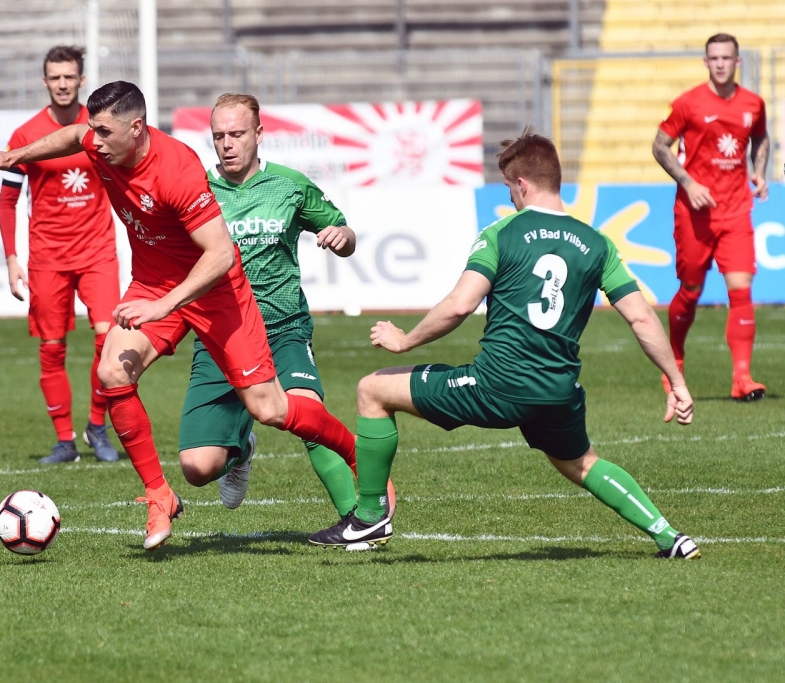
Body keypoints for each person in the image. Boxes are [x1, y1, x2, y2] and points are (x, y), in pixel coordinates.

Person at [0, 81, 358, 552]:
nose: (94, 142)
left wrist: (164, 306)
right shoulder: (99, 141)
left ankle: (359, 457)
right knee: (113, 372)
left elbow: (220, 256)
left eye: (104, 133)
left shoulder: (177, 170)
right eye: (93, 131)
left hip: (214, 291)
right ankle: (159, 496)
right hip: (154, 283)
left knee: (270, 409)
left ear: (136, 127)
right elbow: (71, 136)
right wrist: (13, 157)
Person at [310, 128, 700, 561]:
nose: (511, 197)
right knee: (581, 463)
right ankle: (669, 536)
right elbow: (642, 317)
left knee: (372, 390)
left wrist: (406, 340)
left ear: (523, 185)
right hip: (557, 392)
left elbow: (460, 304)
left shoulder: (502, 233)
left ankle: (368, 519)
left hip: (496, 386)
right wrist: (676, 381)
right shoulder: (598, 243)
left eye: (509, 188)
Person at [177, 93, 394, 521]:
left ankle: (359, 520)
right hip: (221, 336)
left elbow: (344, 231)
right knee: (198, 468)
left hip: (283, 328)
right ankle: (241, 449)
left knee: (307, 413)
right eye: (219, 136)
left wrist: (341, 238)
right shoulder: (197, 191)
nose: (227, 144)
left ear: (259, 134)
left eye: (237, 134)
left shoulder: (289, 184)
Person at [0, 46, 121, 464]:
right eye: (55, 77)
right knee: (52, 348)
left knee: (108, 338)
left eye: (70, 76)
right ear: (45, 81)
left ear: (82, 80)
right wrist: (12, 258)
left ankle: (97, 426)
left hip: (97, 250)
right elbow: (8, 201)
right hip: (48, 256)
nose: (63, 84)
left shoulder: (101, 126)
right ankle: (64, 440)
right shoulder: (26, 135)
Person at [652, 33, 769, 402]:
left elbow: (761, 138)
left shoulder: (753, 104)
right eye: (714, 58)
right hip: (694, 213)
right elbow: (660, 146)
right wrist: (688, 182)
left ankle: (742, 378)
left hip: (735, 210)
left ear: (738, 62)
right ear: (706, 62)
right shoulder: (687, 104)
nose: (720, 64)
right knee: (690, 291)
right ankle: (675, 362)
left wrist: (759, 172)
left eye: (726, 58)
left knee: (741, 290)